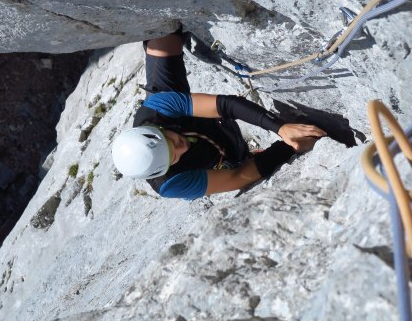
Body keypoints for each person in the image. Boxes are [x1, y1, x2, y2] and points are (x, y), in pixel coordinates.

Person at [111, 27, 329, 200]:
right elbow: (238, 176)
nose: (181, 147)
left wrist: (280, 127)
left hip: (184, 116)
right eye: (173, 157)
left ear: (157, 129)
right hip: (225, 152)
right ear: (165, 168)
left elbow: (227, 106)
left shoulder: (158, 108)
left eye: (171, 141)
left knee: (162, 34)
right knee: (235, 159)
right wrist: (289, 146)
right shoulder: (172, 184)